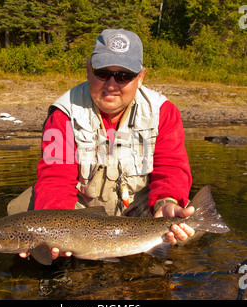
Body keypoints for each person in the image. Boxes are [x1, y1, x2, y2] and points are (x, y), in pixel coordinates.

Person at [14, 28, 195, 261]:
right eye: (102, 73)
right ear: (89, 70)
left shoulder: (163, 112)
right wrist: (57, 233)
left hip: (142, 211)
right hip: (80, 213)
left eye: (123, 76)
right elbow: (55, 178)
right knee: (21, 216)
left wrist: (167, 202)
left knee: (190, 224)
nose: (111, 84)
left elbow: (171, 168)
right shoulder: (63, 114)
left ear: (140, 77)